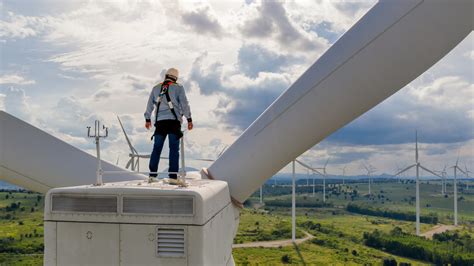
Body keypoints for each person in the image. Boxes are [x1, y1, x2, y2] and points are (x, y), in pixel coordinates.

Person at [144, 68, 193, 180]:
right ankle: (173, 176)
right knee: (173, 149)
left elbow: (149, 104)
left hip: (160, 123)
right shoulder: (178, 87)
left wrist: (147, 119)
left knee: (157, 148)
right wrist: (189, 119)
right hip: (173, 123)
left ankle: (152, 175)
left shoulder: (156, 88)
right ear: (175, 78)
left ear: (166, 76)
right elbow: (184, 104)